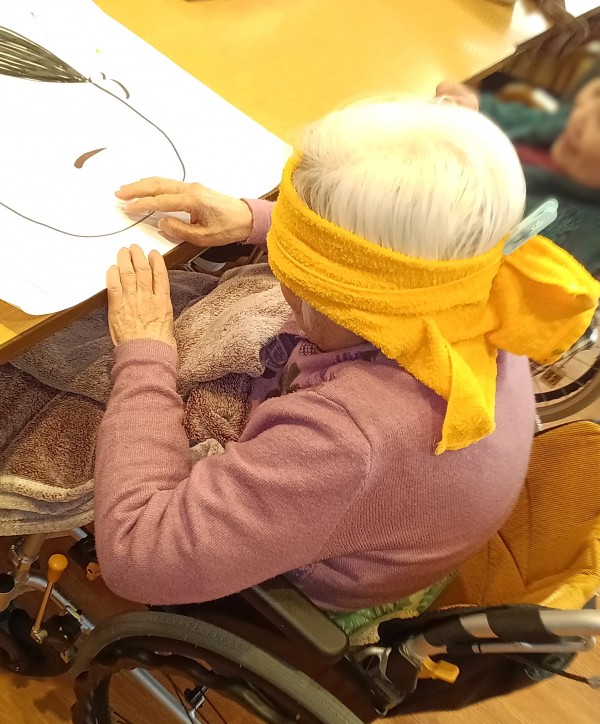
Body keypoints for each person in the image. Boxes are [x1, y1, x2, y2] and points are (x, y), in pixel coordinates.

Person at [93, 97, 599, 611]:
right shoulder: (472, 294)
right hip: (390, 512)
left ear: (327, 292)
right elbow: (382, 263)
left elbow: (138, 555)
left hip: (305, 588)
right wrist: (255, 219)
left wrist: (145, 352)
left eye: (290, 250)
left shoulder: (347, 439)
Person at [437, 78, 600, 276]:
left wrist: (459, 143)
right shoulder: (566, 130)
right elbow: (520, 119)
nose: (579, 117)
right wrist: (474, 105)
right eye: (596, 94)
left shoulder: (576, 243)